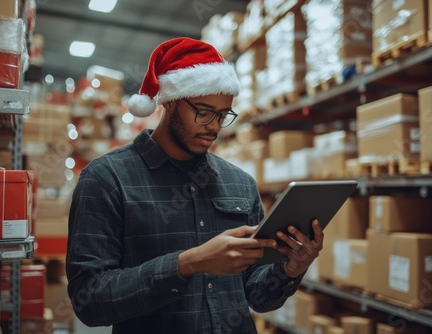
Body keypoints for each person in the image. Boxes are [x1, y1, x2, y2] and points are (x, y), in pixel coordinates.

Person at [66, 37, 323, 333]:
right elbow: (90, 302)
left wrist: (290, 269)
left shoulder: (240, 184)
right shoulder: (107, 180)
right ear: (171, 101)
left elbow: (257, 296)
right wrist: (188, 263)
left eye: (223, 115)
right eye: (203, 111)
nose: (214, 125)